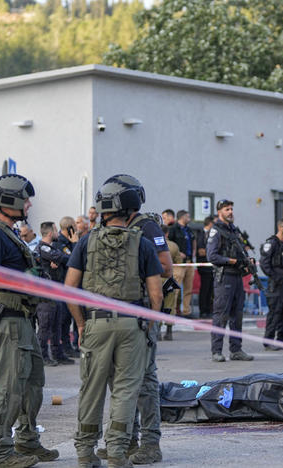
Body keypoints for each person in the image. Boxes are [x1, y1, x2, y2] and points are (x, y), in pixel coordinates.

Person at [65, 179, 163, 468]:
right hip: (132, 325)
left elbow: (69, 288)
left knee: (91, 389)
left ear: (105, 209)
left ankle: (85, 454)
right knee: (125, 390)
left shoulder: (85, 241)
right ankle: (118, 454)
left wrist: (82, 324)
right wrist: (148, 325)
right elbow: (156, 295)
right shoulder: (143, 243)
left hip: (96, 323)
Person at [0, 173, 58, 468]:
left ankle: (26, 440)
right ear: (10, 201)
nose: (30, 204)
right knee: (8, 385)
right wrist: (24, 281)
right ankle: (1, 452)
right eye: (25, 199)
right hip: (7, 318)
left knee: (32, 382)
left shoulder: (10, 232)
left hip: (21, 317)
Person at [95, 174, 172, 465]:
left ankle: (150, 444)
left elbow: (166, 267)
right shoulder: (107, 228)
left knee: (145, 381)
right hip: (112, 317)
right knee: (119, 382)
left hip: (140, 313)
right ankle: (126, 439)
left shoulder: (146, 226)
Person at [206, 199, 254, 362]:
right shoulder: (216, 231)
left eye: (232, 209)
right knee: (221, 315)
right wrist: (232, 261)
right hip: (224, 276)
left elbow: (241, 251)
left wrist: (247, 261)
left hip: (237, 277)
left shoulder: (234, 231)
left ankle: (236, 350)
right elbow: (212, 256)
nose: (230, 212)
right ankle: (216, 351)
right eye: (227, 209)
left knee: (237, 315)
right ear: (220, 212)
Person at [34, 221, 74, 366]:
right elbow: (66, 259)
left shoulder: (52, 248)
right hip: (45, 294)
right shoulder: (43, 248)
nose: (58, 233)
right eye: (56, 230)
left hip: (56, 292)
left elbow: (62, 259)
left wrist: (59, 260)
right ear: (50, 232)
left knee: (57, 324)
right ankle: (42, 355)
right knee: (45, 326)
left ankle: (58, 354)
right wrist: (59, 259)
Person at [260, 218, 283, 351]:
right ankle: (268, 341)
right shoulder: (271, 243)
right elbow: (264, 264)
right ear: (280, 228)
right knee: (275, 313)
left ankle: (281, 339)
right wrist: (275, 277)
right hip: (275, 284)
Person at [52, 216, 80, 356]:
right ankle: (64, 347)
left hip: (71, 288)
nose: (77, 230)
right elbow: (73, 261)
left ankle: (68, 346)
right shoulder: (60, 244)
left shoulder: (69, 243)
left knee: (68, 318)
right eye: (75, 227)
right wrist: (75, 244)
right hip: (62, 287)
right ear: (69, 228)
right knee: (63, 319)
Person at [168, 210, 196, 316]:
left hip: (189, 262)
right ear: (182, 217)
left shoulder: (189, 230)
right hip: (179, 263)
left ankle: (186, 311)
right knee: (175, 289)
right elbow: (169, 243)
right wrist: (178, 253)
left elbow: (193, 240)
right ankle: (173, 311)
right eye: (187, 216)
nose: (189, 218)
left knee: (188, 289)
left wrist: (193, 251)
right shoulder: (173, 229)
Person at [160, 224, 182, 340]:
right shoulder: (173, 246)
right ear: (167, 233)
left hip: (156, 279)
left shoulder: (152, 244)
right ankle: (169, 331)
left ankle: (157, 331)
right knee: (169, 305)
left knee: (157, 304)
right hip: (169, 279)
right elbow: (179, 262)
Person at [196, 216, 214, 319]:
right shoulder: (201, 234)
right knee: (205, 289)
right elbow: (201, 251)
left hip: (212, 267)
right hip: (204, 266)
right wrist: (212, 254)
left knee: (211, 290)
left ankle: (209, 309)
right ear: (210, 224)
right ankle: (203, 310)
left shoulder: (212, 235)